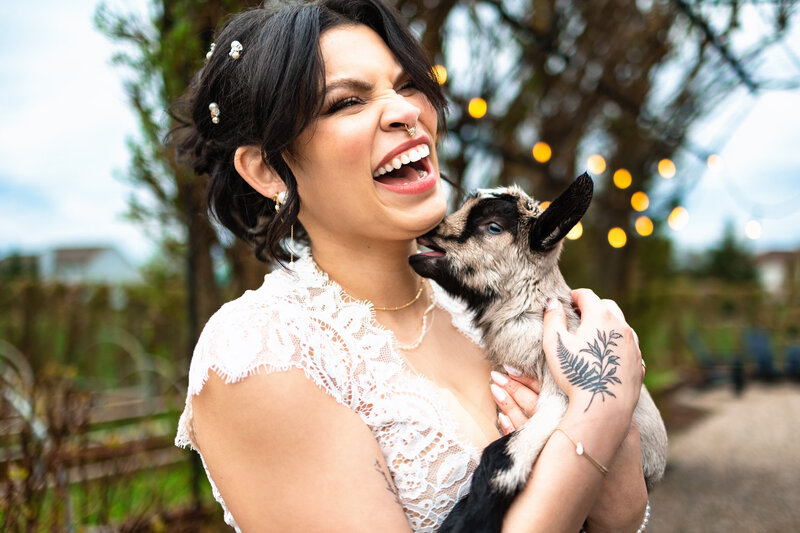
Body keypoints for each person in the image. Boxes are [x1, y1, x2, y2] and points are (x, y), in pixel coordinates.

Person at [172, 0, 650, 531]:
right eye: (347, 102)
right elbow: (587, 448)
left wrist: (610, 446)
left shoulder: (485, 309)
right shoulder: (261, 352)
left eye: (405, 86)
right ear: (266, 169)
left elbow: (620, 517)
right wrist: (598, 416)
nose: (406, 113)